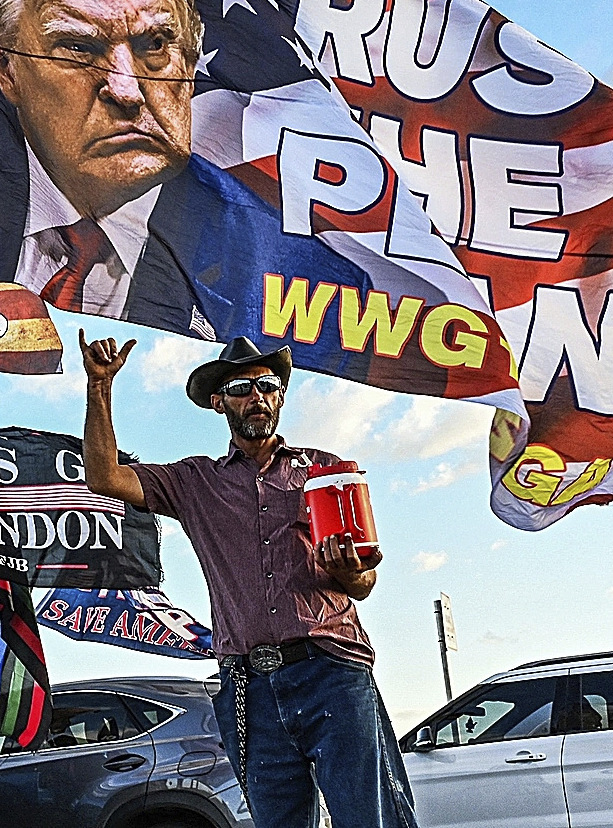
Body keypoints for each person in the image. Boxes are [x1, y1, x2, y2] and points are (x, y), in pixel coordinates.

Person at [0, 0, 366, 344]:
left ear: (193, 48)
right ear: (5, 66)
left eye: (155, 44)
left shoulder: (310, 284)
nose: (126, 90)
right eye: (79, 47)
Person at [77, 331, 417, 828]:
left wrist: (352, 571)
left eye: (267, 385)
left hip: (331, 672)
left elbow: (362, 583)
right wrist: (99, 388)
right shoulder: (195, 481)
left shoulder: (325, 471)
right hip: (247, 688)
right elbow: (106, 478)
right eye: (241, 386)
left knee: (371, 819)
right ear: (219, 403)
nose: (256, 395)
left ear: (279, 396)